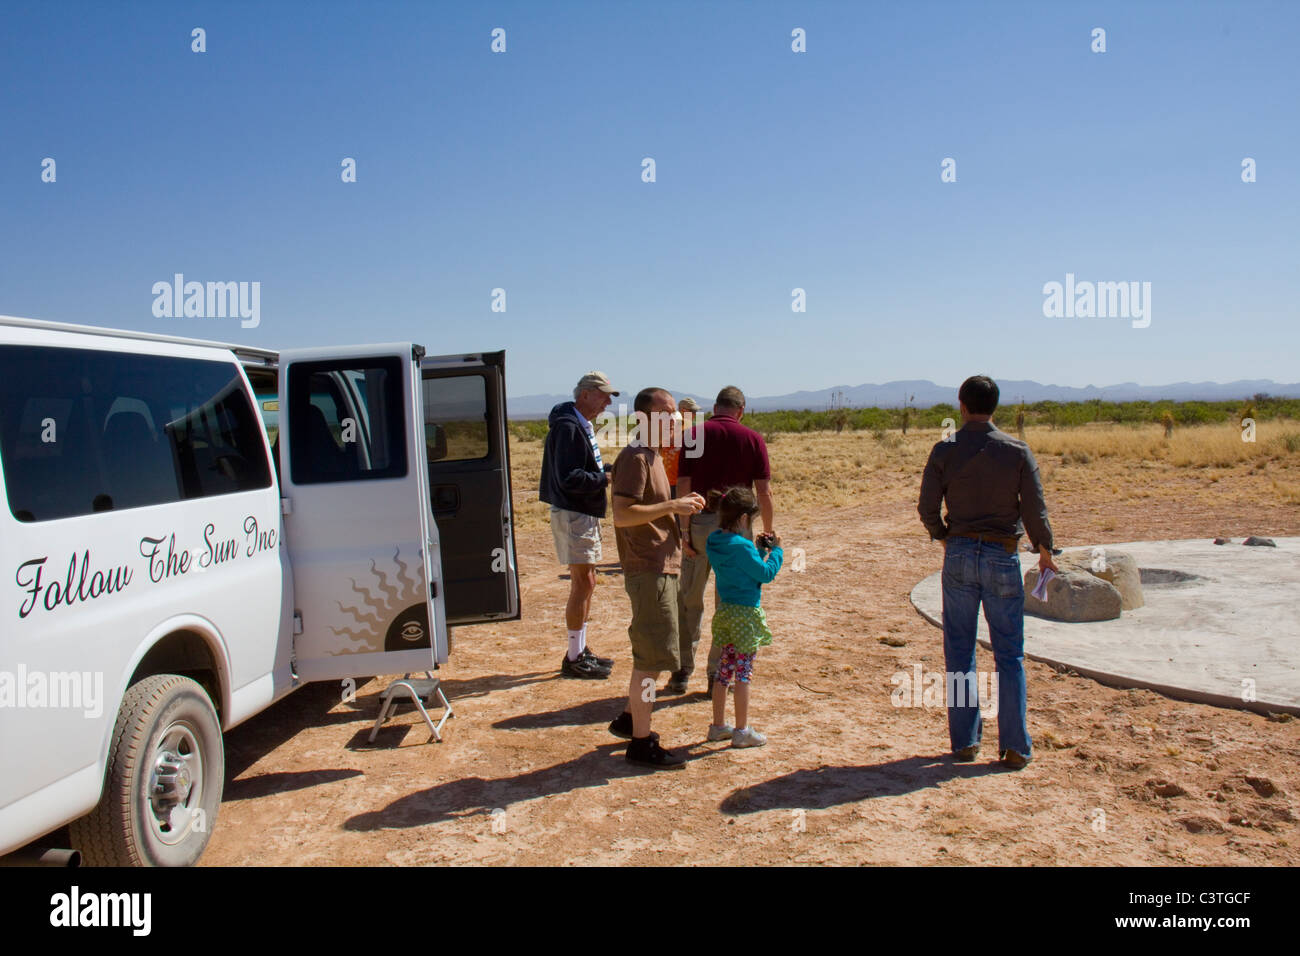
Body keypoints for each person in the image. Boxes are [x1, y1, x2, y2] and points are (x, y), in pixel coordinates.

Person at [917, 375, 1058, 770]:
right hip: (1002, 554)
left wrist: (943, 536)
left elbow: (927, 505)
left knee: (959, 649)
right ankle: (1014, 747)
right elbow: (1034, 507)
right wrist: (1045, 551)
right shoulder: (1017, 451)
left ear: (961, 405)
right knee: (1009, 654)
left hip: (960, 552)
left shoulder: (944, 450)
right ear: (994, 406)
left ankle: (965, 743)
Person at [605, 388, 705, 768]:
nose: (676, 420)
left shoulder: (653, 456)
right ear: (645, 418)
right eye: (667, 414)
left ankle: (631, 720)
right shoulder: (635, 457)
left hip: (660, 566)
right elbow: (622, 514)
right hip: (647, 567)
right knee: (650, 659)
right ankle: (641, 743)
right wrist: (674, 506)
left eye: (676, 414)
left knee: (653, 652)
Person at [675, 386, 774, 695]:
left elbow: (684, 485)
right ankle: (717, 673)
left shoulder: (693, 435)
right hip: (737, 528)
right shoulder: (753, 439)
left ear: (715, 407)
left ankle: (681, 671)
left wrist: (684, 531)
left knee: (690, 599)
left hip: (701, 523)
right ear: (740, 410)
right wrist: (768, 533)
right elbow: (764, 492)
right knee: (728, 601)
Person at [539, 371, 620, 679]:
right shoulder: (568, 427)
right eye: (603, 395)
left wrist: (606, 469)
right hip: (575, 514)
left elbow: (578, 470)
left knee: (588, 582)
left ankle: (580, 650)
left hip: (581, 513)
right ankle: (574, 656)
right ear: (585, 394)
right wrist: (606, 478)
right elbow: (570, 477)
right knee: (582, 583)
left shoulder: (575, 424)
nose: (607, 402)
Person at [705, 486, 783, 748]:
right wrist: (777, 552)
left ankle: (718, 726)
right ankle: (741, 730)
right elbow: (764, 574)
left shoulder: (714, 542)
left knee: (723, 671)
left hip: (726, 612)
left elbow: (744, 568)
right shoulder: (742, 546)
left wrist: (758, 551)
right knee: (744, 673)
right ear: (742, 519)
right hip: (746, 615)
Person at [660, 396, 700, 497]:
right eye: (693, 411)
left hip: (684, 481)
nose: (695, 415)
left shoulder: (692, 430)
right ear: (683, 411)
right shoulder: (670, 428)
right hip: (669, 481)